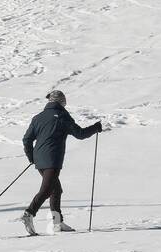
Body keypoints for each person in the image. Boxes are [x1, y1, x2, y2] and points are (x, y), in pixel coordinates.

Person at [21, 89, 102, 234]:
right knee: (46, 190)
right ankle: (29, 213)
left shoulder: (38, 117)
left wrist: (32, 157)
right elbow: (80, 134)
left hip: (39, 159)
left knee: (56, 189)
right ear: (62, 102)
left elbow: (27, 139)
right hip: (53, 159)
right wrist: (95, 128)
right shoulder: (62, 116)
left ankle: (57, 223)